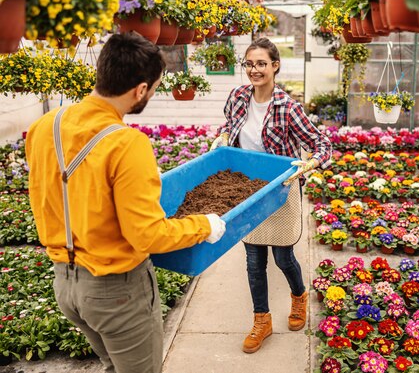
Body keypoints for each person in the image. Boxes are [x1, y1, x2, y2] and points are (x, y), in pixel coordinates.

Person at [25, 32, 226, 373]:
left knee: (113, 365)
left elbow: (57, 192)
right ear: (141, 90)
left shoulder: (46, 126)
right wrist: (203, 224)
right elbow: (148, 236)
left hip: (66, 285)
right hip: (116, 292)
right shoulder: (127, 143)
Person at [211, 37, 332, 353]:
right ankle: (261, 321)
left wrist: (309, 164)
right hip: (247, 189)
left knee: (282, 256)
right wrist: (222, 137)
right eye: (249, 64)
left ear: (275, 66)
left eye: (261, 63)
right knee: (253, 261)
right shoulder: (238, 97)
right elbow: (230, 126)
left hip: (280, 189)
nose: (254, 70)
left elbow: (322, 144)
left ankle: (299, 296)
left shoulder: (288, 107)